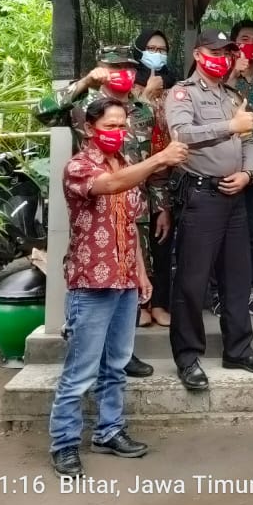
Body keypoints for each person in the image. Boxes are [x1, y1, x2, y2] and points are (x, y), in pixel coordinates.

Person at [48, 96, 189, 476]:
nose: (118, 132)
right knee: (80, 371)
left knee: (115, 366)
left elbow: (129, 226)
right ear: (91, 128)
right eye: (110, 126)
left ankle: (108, 432)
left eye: (122, 125)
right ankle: (63, 443)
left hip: (125, 279)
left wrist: (141, 273)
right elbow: (108, 186)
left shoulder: (126, 163)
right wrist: (159, 159)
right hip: (91, 283)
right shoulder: (79, 166)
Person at [35, 46, 163, 374]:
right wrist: (83, 82)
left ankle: (123, 350)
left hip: (134, 208)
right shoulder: (83, 109)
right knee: (94, 281)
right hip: (95, 206)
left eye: (129, 66)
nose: (123, 71)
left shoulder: (144, 110)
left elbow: (155, 161)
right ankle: (87, 346)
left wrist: (161, 205)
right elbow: (43, 112)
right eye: (114, 66)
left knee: (131, 278)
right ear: (101, 68)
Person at [164, 30, 253, 390]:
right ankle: (187, 356)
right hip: (201, 197)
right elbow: (180, 135)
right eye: (215, 51)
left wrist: (247, 172)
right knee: (193, 282)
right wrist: (230, 125)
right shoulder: (183, 93)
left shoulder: (232, 95)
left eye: (227, 52)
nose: (222, 57)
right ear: (198, 54)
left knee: (238, 280)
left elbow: (249, 142)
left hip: (235, 196)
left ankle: (239, 349)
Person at [130, 30, 174, 326]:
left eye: (161, 48)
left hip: (165, 176)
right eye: (150, 48)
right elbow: (129, 134)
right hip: (132, 178)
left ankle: (159, 303)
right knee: (136, 243)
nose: (156, 53)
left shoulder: (174, 90)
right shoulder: (129, 90)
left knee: (162, 243)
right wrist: (146, 97)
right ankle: (138, 305)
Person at [226, 19, 253, 317]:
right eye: (243, 39)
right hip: (226, 168)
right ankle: (222, 291)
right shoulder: (220, 78)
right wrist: (233, 72)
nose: (249, 44)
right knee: (223, 232)